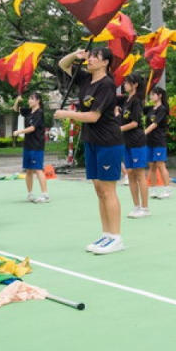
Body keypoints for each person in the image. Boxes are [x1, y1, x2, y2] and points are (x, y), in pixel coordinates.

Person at [56, 47, 125, 254]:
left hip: (108, 141)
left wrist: (67, 114)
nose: (91, 59)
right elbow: (62, 65)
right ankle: (106, 234)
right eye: (90, 55)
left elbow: (94, 116)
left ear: (105, 63)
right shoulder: (85, 79)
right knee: (98, 189)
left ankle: (116, 237)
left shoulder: (107, 85)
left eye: (96, 56)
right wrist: (75, 55)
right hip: (91, 140)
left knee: (108, 190)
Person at [120, 73, 150, 218]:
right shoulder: (127, 100)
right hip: (127, 141)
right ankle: (136, 206)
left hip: (137, 141)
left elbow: (135, 123)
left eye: (127, 82)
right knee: (130, 173)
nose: (124, 84)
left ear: (135, 85)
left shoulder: (137, 101)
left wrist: (117, 129)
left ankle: (145, 208)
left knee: (139, 174)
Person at [13, 92, 49, 203]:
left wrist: (19, 132)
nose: (29, 100)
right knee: (28, 170)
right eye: (29, 98)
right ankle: (30, 194)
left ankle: (45, 195)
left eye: (32, 98)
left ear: (38, 101)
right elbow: (15, 109)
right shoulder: (29, 111)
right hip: (28, 145)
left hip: (36, 146)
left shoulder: (39, 113)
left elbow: (32, 128)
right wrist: (17, 100)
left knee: (38, 170)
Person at [145, 86, 172, 200]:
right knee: (151, 166)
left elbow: (155, 124)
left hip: (159, 141)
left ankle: (167, 190)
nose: (151, 96)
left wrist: (143, 133)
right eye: (150, 94)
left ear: (159, 95)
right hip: (149, 141)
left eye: (153, 94)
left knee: (160, 165)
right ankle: (153, 189)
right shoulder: (150, 109)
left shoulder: (162, 109)